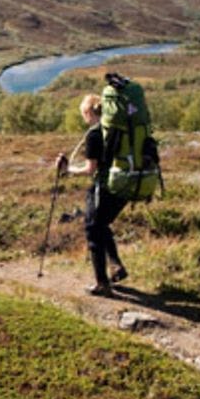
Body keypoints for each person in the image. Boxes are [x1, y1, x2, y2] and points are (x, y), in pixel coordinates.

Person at [55, 94, 128, 297]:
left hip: (105, 186)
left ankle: (102, 284)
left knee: (92, 228)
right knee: (101, 224)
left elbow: (90, 168)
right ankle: (116, 266)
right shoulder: (116, 129)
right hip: (125, 185)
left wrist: (68, 171)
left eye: (83, 115)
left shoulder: (95, 134)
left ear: (88, 113)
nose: (84, 119)